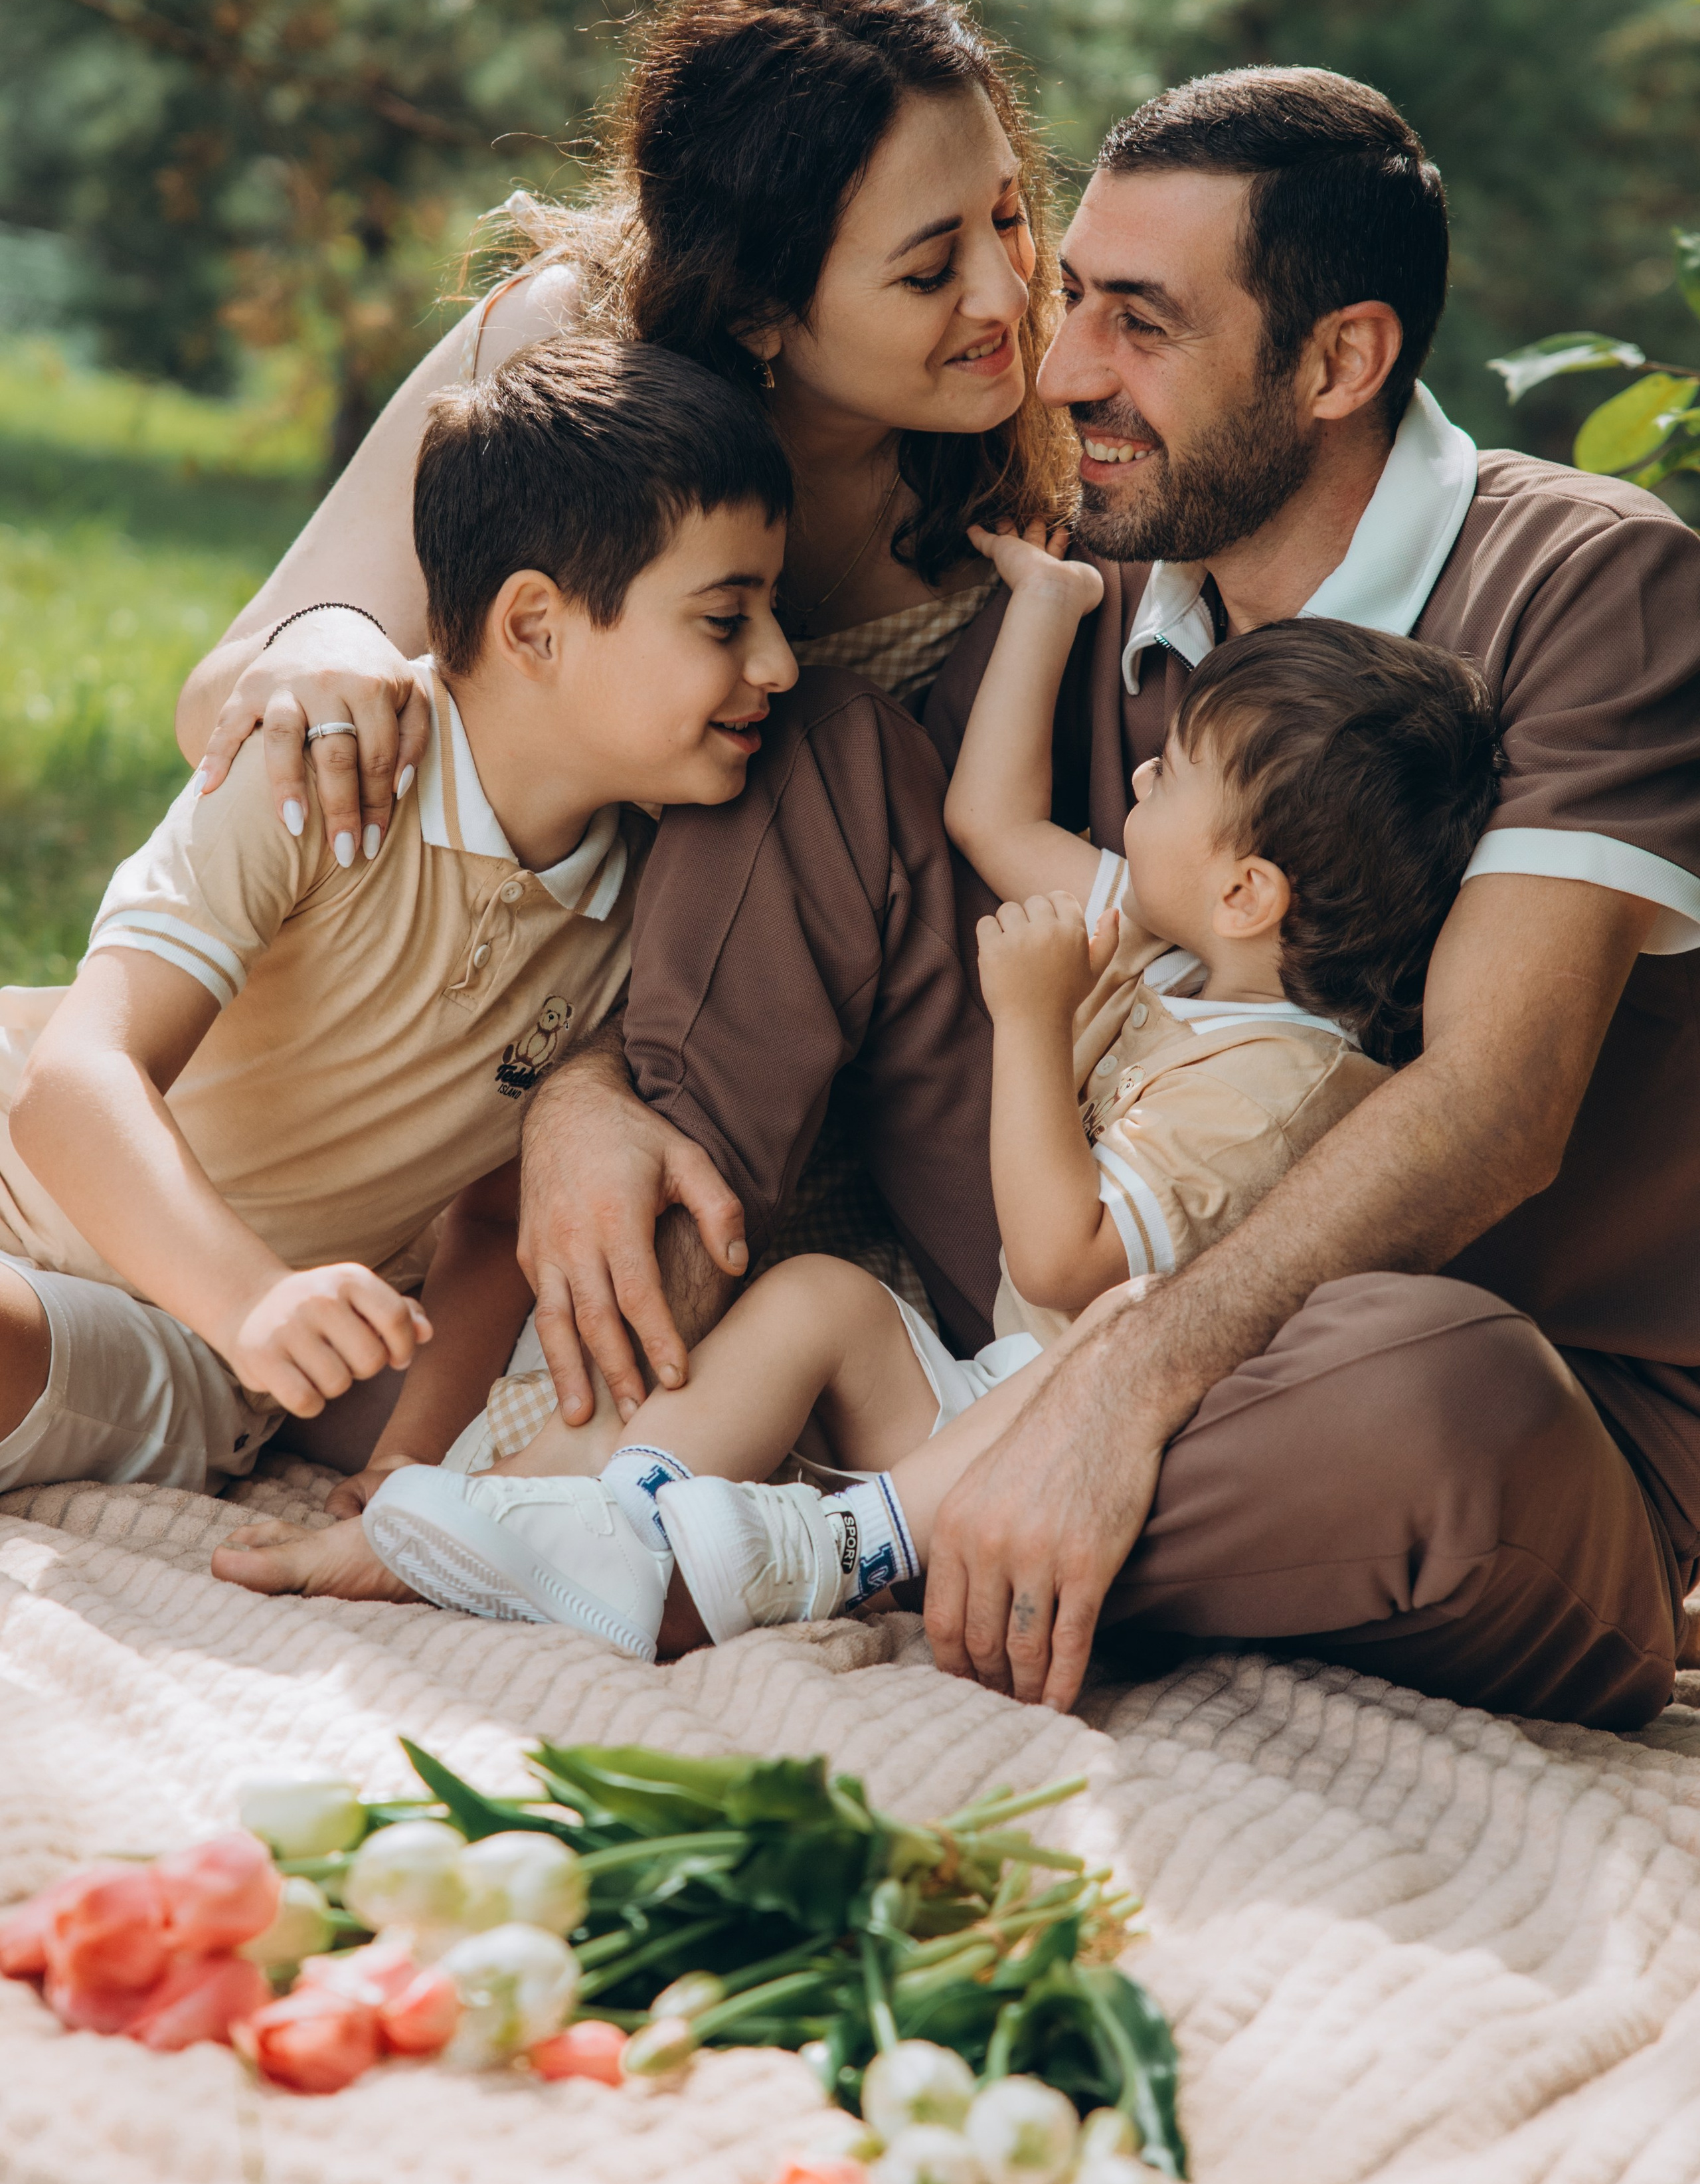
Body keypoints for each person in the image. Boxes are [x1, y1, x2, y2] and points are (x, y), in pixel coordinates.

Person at [185, 24, 1700, 1734]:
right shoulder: (1099, 590)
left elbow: (1497, 1102)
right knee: (812, 740)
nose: (1059, 371)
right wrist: (594, 1093)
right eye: (1082, 296)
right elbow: (819, 888)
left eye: (1141, 322)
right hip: (1066, 1263)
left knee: (1443, 1408)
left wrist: (1124, 1385)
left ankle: (813, 1534)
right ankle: (591, 1446)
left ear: (1338, 359)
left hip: (1428, 1366)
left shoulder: (1587, 582)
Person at [220, 581, 1498, 1656]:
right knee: (819, 1295)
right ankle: (571, 1511)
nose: (1143, 771)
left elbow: (1057, 1265)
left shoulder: (1273, 1090)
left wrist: (1033, 1026)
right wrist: (1047, 607)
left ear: (1247, 887)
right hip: (988, 1386)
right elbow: (983, 818)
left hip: (1054, 1443)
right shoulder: (1181, 946)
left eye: (1181, 771)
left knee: (1095, 1315)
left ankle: (827, 1544)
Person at [175, 0, 1074, 1390]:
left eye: (1012, 217)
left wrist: (597, 1092)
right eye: (927, 267)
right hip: (453, 1043)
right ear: (757, 313)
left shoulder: (1036, 471)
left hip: (781, 1097)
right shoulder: (569, 353)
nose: (1003, 294)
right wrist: (335, 649)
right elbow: (235, 689)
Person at [0, 341, 794, 1497]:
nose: (776, 662)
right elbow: (76, 1076)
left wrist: (405, 1465)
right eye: (726, 620)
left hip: (188, 1339)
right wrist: (254, 1294)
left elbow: (489, 1221)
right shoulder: (319, 763)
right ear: (535, 628)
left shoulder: (644, 909)